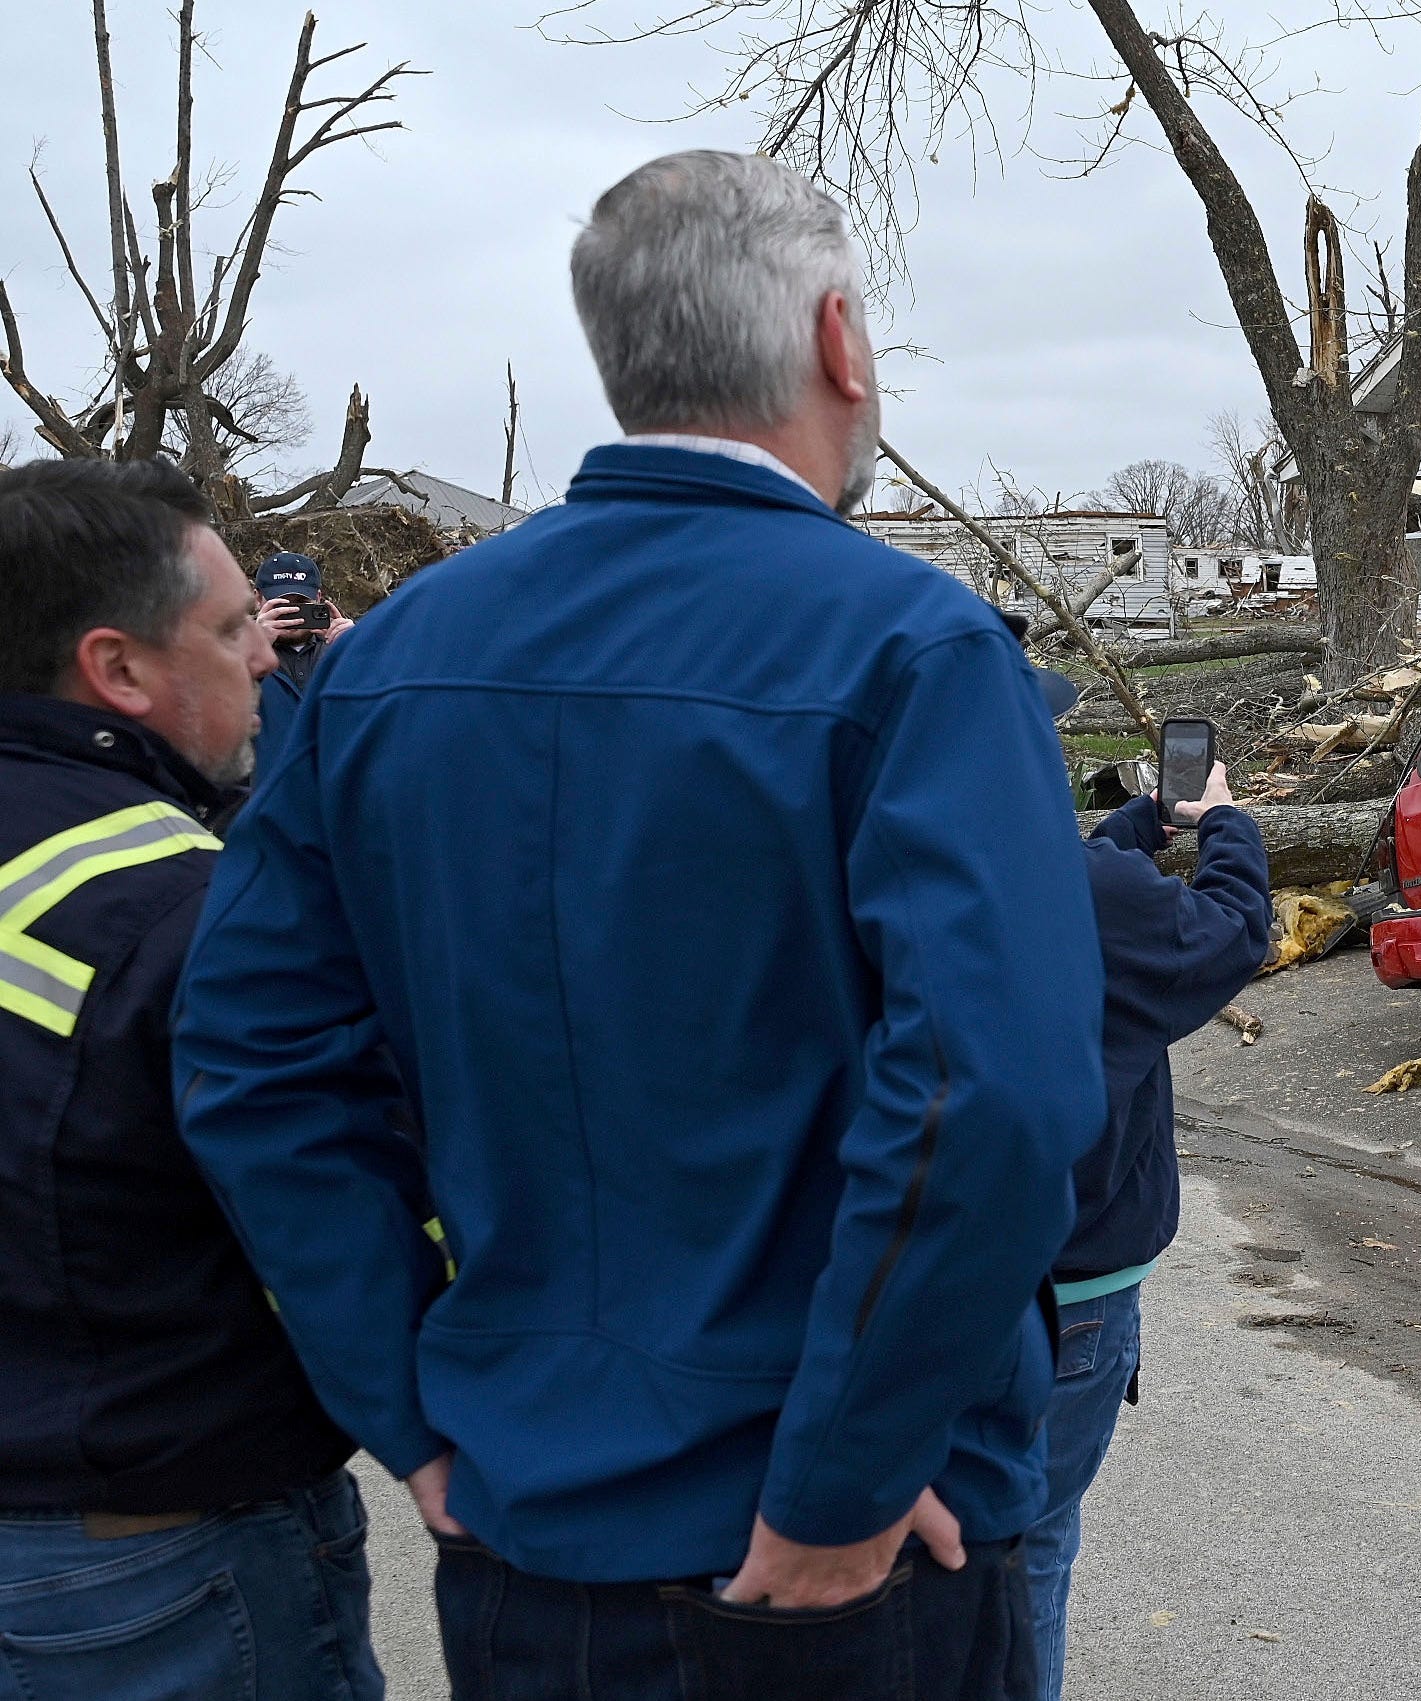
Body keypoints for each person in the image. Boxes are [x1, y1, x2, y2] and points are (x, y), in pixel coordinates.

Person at [173, 149, 1107, 1700]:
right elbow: (988, 1093)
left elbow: (254, 1065)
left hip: (535, 1527)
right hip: (845, 1555)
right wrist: (844, 1475)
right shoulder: (915, 649)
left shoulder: (391, 660)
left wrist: (408, 1405)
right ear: (840, 346)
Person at [0, 456, 382, 1700]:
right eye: (228, 631)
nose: (267, 657)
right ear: (118, 671)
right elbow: (337, 1194)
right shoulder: (183, 908)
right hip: (159, 1543)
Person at [1030, 755, 1272, 1694]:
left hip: (903, 1268)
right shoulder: (1089, 892)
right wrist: (1226, 827)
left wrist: (1131, 831)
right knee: (1031, 1539)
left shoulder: (880, 862)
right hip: (1073, 1281)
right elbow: (1229, 932)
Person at [247, 551, 353, 786]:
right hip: (263, 801)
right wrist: (251, 649)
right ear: (258, 599)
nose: (292, 614)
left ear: (318, 598)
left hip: (335, 795)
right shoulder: (231, 655)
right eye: (282, 605)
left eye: (301, 604)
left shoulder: (345, 650)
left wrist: (360, 652)